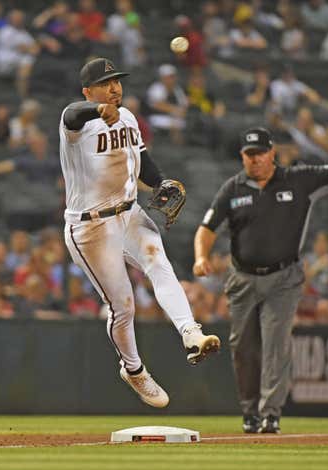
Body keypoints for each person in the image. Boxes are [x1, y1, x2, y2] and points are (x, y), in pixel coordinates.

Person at [193, 126, 328, 434]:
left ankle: (270, 413)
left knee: (277, 342)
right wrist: (201, 257)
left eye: (259, 154)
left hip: (284, 277)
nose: (254, 160)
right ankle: (249, 412)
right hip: (242, 277)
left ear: (273, 153)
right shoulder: (232, 189)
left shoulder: (298, 179)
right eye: (248, 155)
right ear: (242, 157)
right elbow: (206, 228)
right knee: (242, 346)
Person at [59, 57, 220, 408]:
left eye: (117, 81)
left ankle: (191, 333)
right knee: (123, 305)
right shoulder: (76, 125)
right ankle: (133, 370)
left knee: (159, 264)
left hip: (129, 212)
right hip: (91, 226)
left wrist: (161, 182)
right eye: (106, 83)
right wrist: (97, 109)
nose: (115, 88)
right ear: (89, 91)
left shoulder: (129, 117)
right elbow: (73, 113)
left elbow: (144, 164)